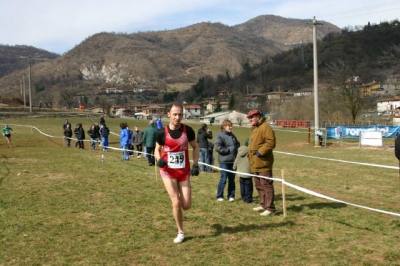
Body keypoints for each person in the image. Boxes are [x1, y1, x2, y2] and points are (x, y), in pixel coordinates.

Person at [154, 102, 199, 244]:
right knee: (177, 202)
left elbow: (195, 146)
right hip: (168, 171)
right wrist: (159, 159)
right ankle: (180, 231)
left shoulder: (188, 131)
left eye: (180, 114)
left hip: (183, 171)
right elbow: (156, 149)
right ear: (169, 114)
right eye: (175, 114)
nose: (177, 117)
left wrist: (196, 164)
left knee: (186, 205)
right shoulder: (162, 133)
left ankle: (179, 203)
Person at [247, 109, 276, 216]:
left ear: (258, 116)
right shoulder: (255, 129)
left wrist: (260, 152)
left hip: (263, 163)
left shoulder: (265, 127)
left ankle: (270, 208)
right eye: (249, 118)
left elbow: (271, 142)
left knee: (266, 185)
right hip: (255, 163)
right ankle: (263, 204)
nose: (250, 120)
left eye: (251, 117)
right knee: (259, 185)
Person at [214, 119, 240, 202]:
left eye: (231, 126)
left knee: (232, 180)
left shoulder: (232, 135)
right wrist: (229, 150)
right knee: (223, 179)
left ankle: (231, 196)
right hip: (224, 162)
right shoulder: (220, 135)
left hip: (233, 161)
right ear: (224, 126)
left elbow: (237, 144)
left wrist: (237, 149)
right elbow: (217, 147)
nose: (231, 127)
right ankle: (219, 196)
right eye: (229, 126)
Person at [233, 138, 254, 204]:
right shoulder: (250, 151)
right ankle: (248, 199)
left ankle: (243, 197)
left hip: (240, 172)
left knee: (242, 185)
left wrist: (234, 167)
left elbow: (236, 160)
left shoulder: (240, 150)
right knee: (248, 186)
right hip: (247, 172)